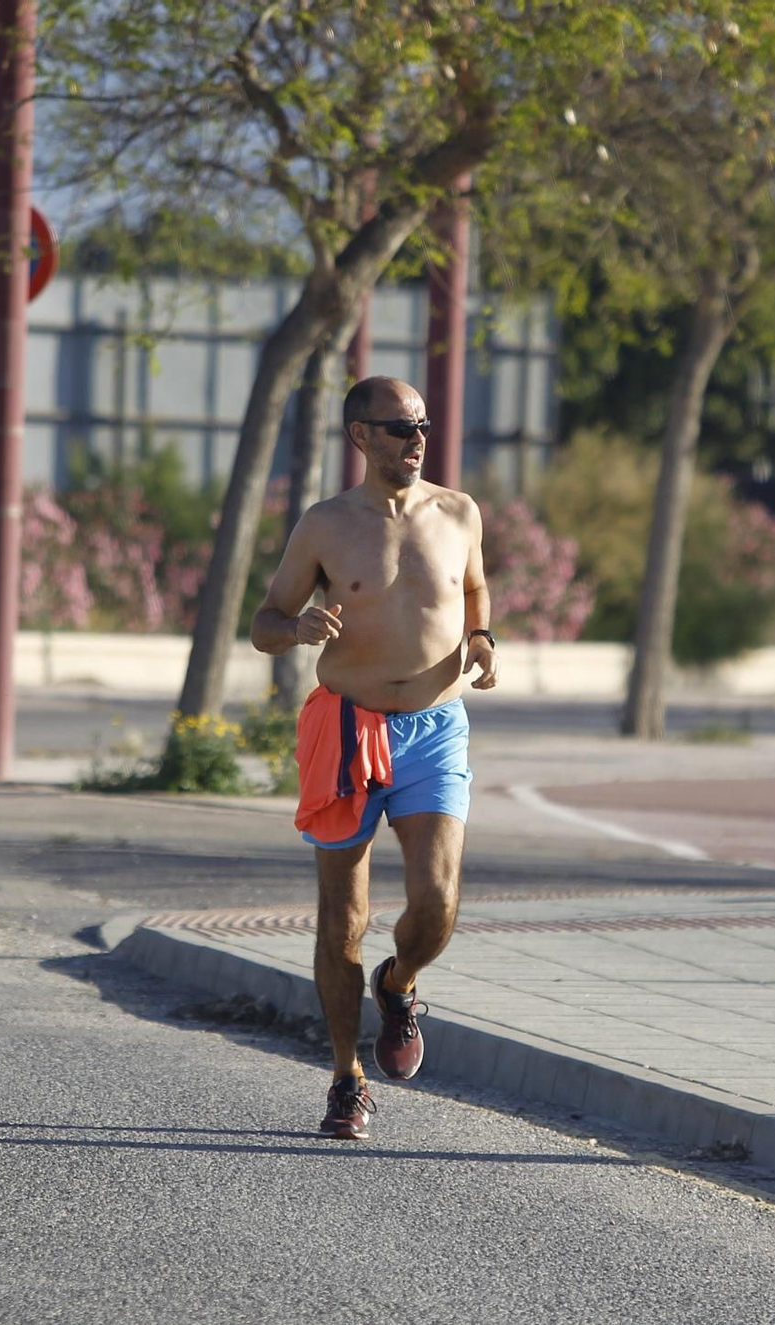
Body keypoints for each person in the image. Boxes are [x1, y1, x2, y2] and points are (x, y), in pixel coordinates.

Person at [250, 376, 499, 1140]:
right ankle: (345, 1077)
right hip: (348, 729)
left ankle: (400, 983)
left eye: (422, 424)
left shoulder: (459, 512)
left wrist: (484, 641)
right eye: (398, 428)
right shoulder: (325, 526)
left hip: (435, 727)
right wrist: (296, 632)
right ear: (360, 436)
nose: (415, 439)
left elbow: (478, 593)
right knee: (344, 919)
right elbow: (265, 620)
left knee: (436, 900)